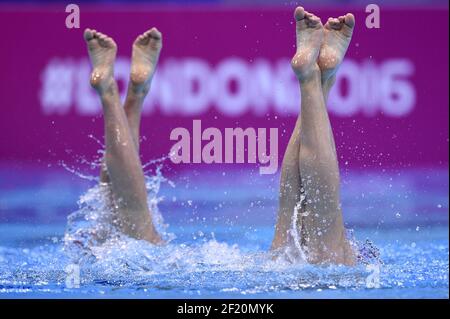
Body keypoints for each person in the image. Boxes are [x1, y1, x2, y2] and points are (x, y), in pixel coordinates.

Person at [83, 6, 356, 265]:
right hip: (269, 275)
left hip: (193, 270)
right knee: (322, 251)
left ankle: (317, 79)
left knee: (128, 228)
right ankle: (317, 80)